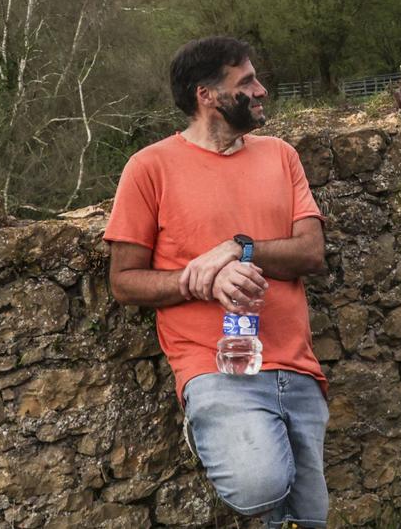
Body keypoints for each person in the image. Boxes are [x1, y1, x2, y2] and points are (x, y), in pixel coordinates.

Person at [105, 37, 329, 527]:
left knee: (305, 519)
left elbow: (311, 253)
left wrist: (239, 248)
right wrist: (203, 281)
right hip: (215, 367)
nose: (262, 90)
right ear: (206, 94)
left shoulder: (280, 155)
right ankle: (204, 424)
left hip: (295, 363)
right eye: (246, 82)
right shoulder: (149, 168)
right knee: (261, 485)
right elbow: (124, 283)